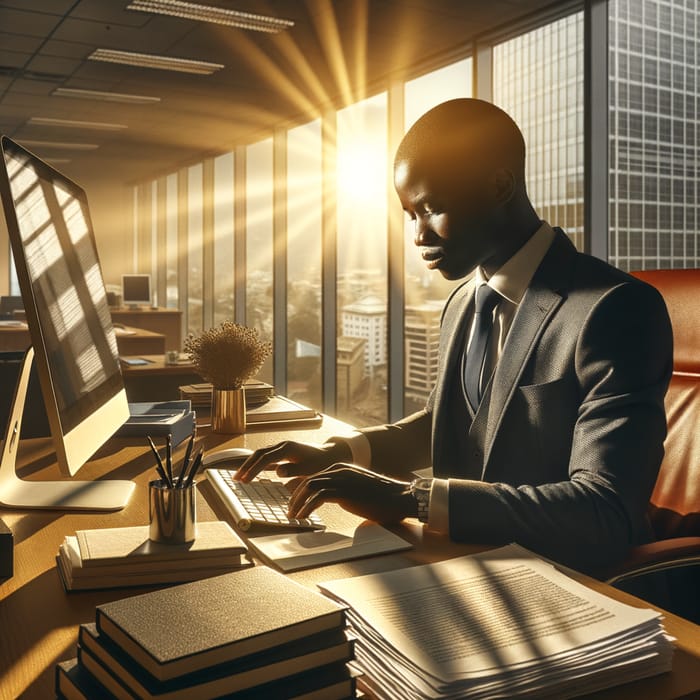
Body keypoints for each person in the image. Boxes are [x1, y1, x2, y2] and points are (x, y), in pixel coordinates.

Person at [236, 98, 673, 576]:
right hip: (460, 561)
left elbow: (602, 510)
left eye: (431, 208)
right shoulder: (465, 301)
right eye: (410, 215)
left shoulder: (614, 308)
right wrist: (340, 452)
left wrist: (412, 499)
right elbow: (448, 422)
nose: (419, 235)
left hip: (566, 579)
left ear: (500, 186)